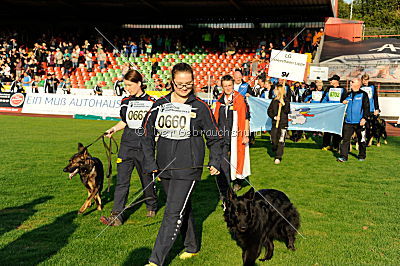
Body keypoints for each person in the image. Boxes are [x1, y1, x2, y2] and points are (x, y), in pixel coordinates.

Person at [142, 63, 222, 266]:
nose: (184, 88)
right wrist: (151, 162)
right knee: (181, 208)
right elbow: (147, 134)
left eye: (188, 84)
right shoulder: (160, 104)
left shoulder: (201, 107)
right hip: (164, 167)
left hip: (189, 168)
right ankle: (192, 246)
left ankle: (155, 260)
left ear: (193, 82)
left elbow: (214, 136)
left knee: (172, 211)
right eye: (180, 84)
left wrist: (215, 160)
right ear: (172, 82)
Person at [100, 70, 158, 226]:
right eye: (125, 85)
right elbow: (125, 121)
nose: (127, 88)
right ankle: (116, 215)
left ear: (139, 83)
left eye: (130, 85)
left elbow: (156, 125)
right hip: (127, 146)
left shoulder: (153, 101)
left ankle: (151, 204)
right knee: (122, 181)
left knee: (146, 179)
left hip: (144, 147)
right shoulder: (125, 100)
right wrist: (113, 129)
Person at [214, 74, 251, 194]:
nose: (228, 88)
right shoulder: (220, 100)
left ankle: (238, 181)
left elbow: (246, 117)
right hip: (223, 136)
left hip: (237, 135)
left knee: (238, 158)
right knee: (224, 160)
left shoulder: (239, 99)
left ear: (233, 85)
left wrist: (246, 134)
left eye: (230, 85)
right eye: (225, 86)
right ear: (222, 87)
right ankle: (226, 184)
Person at [337, 78, 370, 162]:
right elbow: (341, 104)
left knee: (361, 139)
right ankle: (343, 156)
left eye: (352, 82)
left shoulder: (363, 94)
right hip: (348, 122)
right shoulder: (347, 94)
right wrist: (342, 102)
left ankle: (362, 155)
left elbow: (366, 107)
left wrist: (364, 118)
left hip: (360, 121)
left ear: (358, 84)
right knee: (345, 140)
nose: (350, 83)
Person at [321, 75, 347, 151]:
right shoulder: (328, 89)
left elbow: (344, 100)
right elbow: (324, 98)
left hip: (338, 113)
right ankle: (326, 144)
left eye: (331, 80)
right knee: (327, 129)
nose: (330, 81)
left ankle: (336, 145)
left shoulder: (343, 89)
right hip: (329, 112)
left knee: (336, 129)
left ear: (336, 81)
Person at [268, 84, 290, 164]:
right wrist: (274, 117)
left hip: (283, 123)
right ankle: (275, 148)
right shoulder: (274, 100)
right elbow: (269, 111)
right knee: (274, 139)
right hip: (275, 124)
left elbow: (287, 111)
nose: (274, 91)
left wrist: (283, 104)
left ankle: (278, 157)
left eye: (276, 89)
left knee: (281, 140)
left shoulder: (286, 100)